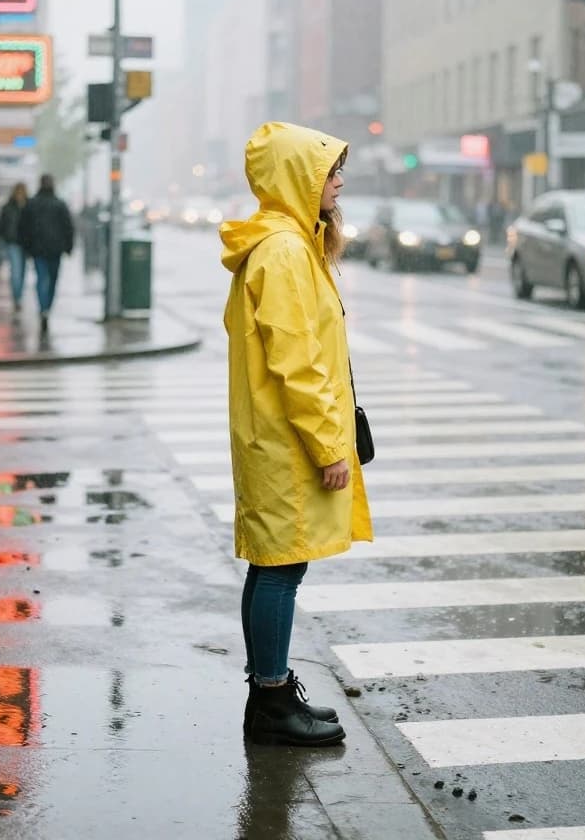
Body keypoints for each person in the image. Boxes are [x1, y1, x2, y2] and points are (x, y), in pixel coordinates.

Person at [220, 122, 373, 748]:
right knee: (282, 566)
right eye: (330, 171)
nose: (339, 182)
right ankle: (273, 702)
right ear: (298, 179)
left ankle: (271, 694)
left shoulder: (288, 245)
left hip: (276, 436)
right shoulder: (284, 252)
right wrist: (328, 447)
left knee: (274, 563)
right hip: (286, 441)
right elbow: (297, 362)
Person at [17, 174, 74, 334]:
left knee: (42, 278)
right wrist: (68, 247)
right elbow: (68, 227)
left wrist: (26, 247)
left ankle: (43, 308)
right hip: (55, 249)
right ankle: (47, 307)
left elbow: (23, 228)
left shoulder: (32, 204)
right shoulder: (59, 204)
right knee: (53, 279)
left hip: (38, 249)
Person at [0, 183, 29, 312]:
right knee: (16, 271)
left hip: (25, 244)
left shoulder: (28, 206)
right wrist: (4, 239)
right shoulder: (8, 207)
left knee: (22, 272)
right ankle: (17, 298)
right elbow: (1, 226)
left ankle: (18, 295)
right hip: (12, 243)